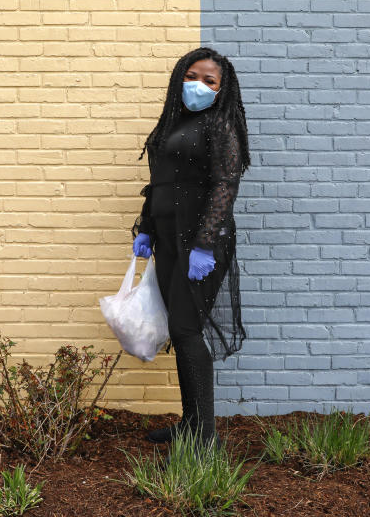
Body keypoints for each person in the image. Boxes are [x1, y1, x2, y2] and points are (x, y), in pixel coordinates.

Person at [131, 47, 250, 448]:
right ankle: (191, 424)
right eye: (191, 76)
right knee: (183, 330)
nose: (198, 85)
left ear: (221, 90)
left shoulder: (220, 126)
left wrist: (205, 244)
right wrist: (147, 227)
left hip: (199, 242)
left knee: (185, 329)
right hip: (168, 239)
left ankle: (204, 439)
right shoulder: (172, 124)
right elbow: (159, 183)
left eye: (209, 80)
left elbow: (224, 185)